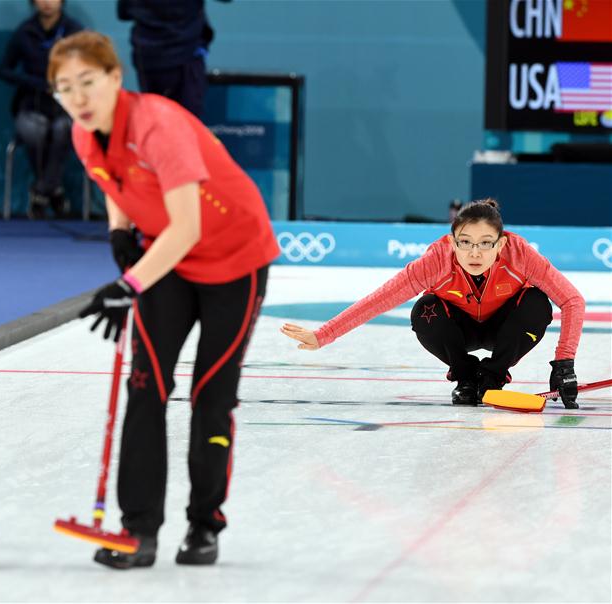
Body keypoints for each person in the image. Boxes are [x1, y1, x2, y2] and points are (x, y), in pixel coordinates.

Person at [48, 30, 279, 569]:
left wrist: (127, 286)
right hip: (168, 263)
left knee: (210, 397)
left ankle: (204, 526)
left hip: (233, 260)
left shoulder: (159, 125)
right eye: (64, 88)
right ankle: (139, 530)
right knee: (144, 387)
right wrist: (119, 232)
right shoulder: (86, 135)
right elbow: (115, 184)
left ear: (114, 78)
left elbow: (187, 228)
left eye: (87, 83)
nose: (78, 98)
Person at [280, 199, 585, 409]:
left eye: (484, 243)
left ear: (501, 243)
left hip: (504, 330)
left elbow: (572, 300)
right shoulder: (437, 259)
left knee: (537, 303)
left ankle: (492, 376)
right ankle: (466, 378)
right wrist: (324, 335)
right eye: (465, 242)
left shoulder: (519, 253)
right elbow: (381, 299)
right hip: (459, 330)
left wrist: (564, 364)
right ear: (452, 242)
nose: (474, 253)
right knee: (424, 310)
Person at [0, 0, 83, 218]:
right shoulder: (25, 32)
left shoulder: (74, 31)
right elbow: (4, 70)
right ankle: (53, 190)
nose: (47, 2)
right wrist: (36, 83)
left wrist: (64, 84)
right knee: (34, 131)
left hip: (66, 107)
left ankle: (41, 191)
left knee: (64, 130)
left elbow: (87, 68)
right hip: (31, 104)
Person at [117, 0, 228, 118]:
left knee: (157, 121)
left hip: (148, 59)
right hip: (182, 56)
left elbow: (124, 12)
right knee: (186, 124)